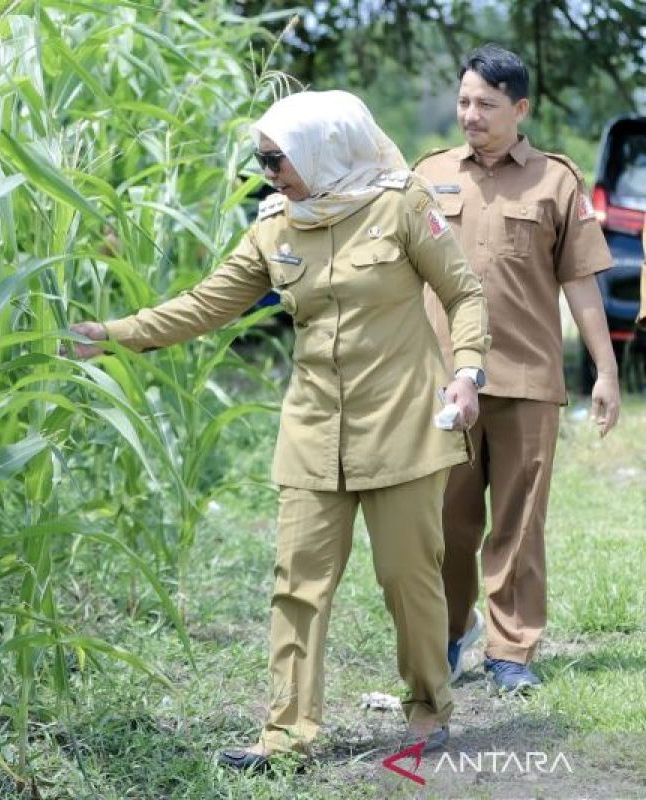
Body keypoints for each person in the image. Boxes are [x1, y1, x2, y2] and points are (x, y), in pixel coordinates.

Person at [68, 90, 489, 770]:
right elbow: (207, 303)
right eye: (262, 161)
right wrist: (116, 336)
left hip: (404, 425)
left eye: (277, 159)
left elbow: (464, 292)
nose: (268, 174)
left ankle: (428, 709)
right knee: (298, 582)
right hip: (314, 429)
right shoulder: (275, 227)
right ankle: (286, 735)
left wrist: (467, 371)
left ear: (325, 151)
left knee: (406, 576)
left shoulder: (401, 206)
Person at [415, 45, 621, 695]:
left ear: (520, 108)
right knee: (442, 520)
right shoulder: (428, 175)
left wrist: (606, 372)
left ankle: (511, 651)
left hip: (527, 378)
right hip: (443, 383)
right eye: (464, 102)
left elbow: (581, 283)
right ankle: (449, 634)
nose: (470, 115)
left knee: (518, 523)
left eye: (486, 104)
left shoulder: (556, 181)